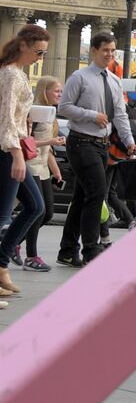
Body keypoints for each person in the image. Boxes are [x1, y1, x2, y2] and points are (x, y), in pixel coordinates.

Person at [56, 32, 136, 268]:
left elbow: (121, 115)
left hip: (102, 145)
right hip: (81, 142)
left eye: (112, 51)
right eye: (105, 50)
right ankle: (92, 249)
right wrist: (92, 115)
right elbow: (64, 107)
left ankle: (67, 250)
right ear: (93, 51)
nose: (110, 55)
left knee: (83, 196)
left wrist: (129, 141)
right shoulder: (79, 77)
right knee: (97, 193)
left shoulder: (114, 80)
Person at [0, 25, 51, 296]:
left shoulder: (16, 74)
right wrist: (17, 154)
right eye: (38, 52)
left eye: (43, 53)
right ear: (23, 46)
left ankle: (1, 264)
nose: (40, 58)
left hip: (12, 148)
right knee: (5, 215)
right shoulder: (10, 74)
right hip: (7, 151)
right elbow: (6, 118)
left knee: (35, 207)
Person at [19, 76, 65, 270]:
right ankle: (31, 256)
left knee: (47, 213)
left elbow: (48, 151)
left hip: (43, 167)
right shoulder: (35, 112)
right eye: (56, 91)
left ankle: (12, 240)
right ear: (44, 91)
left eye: (60, 91)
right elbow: (25, 142)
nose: (59, 95)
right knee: (39, 211)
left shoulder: (50, 113)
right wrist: (50, 142)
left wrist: (56, 171)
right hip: (31, 165)